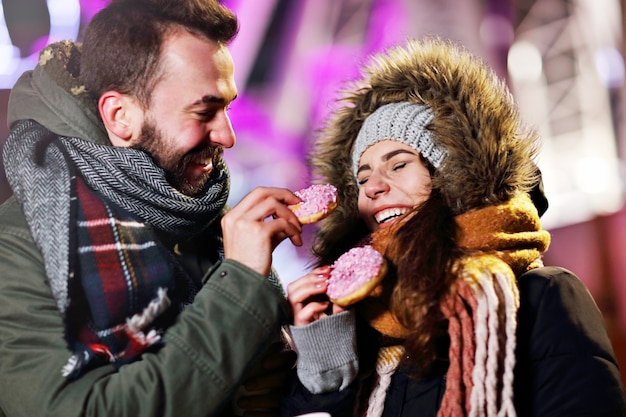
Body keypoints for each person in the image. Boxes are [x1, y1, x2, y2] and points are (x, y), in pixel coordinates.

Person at [281, 38, 626, 416]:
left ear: (453, 177)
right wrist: (324, 367)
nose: (374, 187)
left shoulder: (539, 296)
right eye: (362, 180)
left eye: (398, 165)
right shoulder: (354, 323)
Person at [0, 0, 303, 416]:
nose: (228, 136)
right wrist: (242, 284)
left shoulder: (195, 208)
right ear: (121, 115)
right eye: (205, 110)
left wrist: (311, 333)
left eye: (227, 108)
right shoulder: (20, 245)